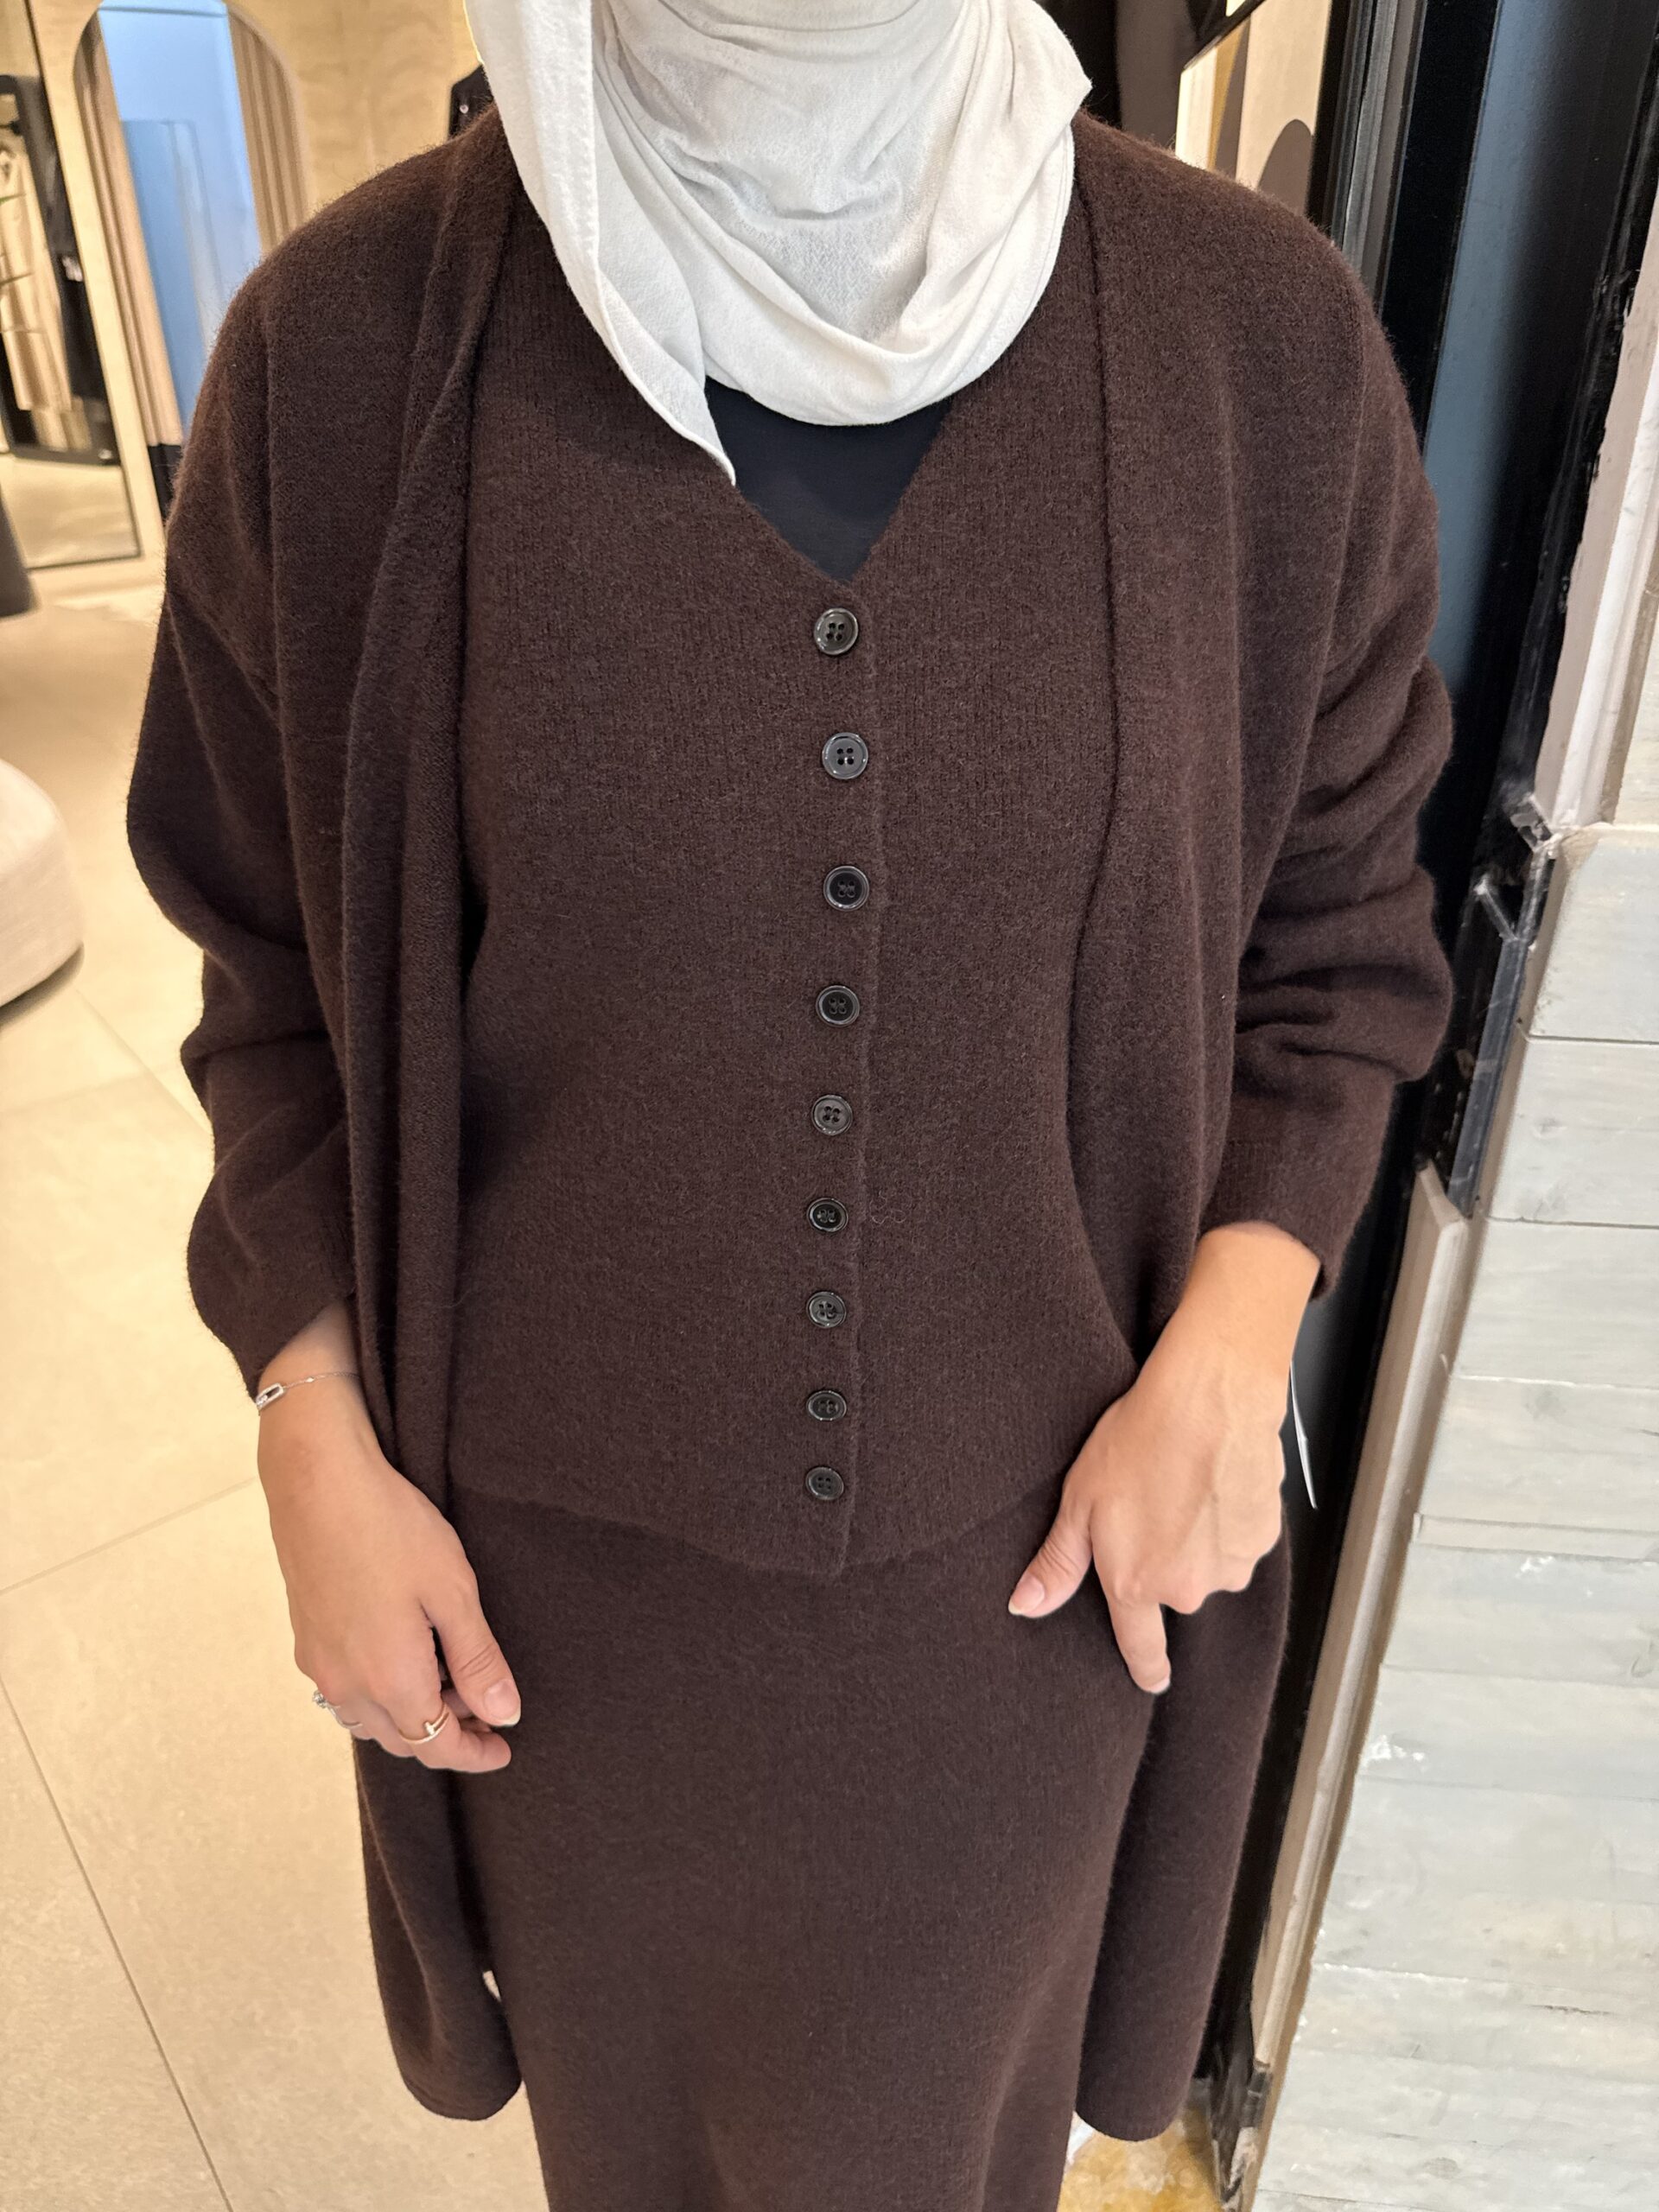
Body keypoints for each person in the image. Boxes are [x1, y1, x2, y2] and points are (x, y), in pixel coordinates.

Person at [125, 3, 1456, 2206]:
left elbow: (1341, 929)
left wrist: (1242, 1334)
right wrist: (304, 1421)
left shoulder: (1258, 350)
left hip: (1033, 1615)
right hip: (555, 1647)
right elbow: (267, 981)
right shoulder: (336, 362)